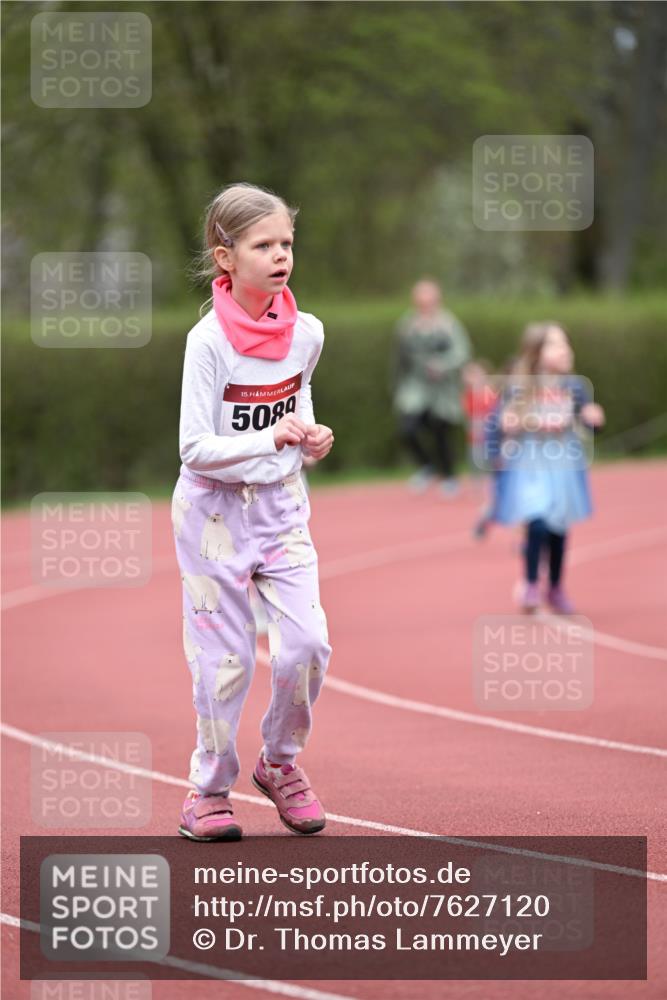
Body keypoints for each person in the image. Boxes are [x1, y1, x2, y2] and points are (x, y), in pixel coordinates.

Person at [171, 182, 334, 841]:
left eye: (286, 243)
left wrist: (312, 438)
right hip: (213, 519)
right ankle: (208, 790)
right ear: (225, 257)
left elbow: (298, 411)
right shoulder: (207, 342)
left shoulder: (308, 334)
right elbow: (193, 448)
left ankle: (278, 762)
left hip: (281, 511)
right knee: (227, 660)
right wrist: (270, 438)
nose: (279, 255)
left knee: (307, 646)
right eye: (263, 245)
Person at [492, 322, 605, 613]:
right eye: (555, 345)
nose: (564, 350)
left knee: (558, 527)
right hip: (529, 464)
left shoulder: (574, 387)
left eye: (565, 343)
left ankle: (555, 586)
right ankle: (530, 582)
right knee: (537, 520)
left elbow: (587, 422)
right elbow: (499, 423)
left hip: (563, 464)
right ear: (536, 352)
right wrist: (507, 427)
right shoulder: (519, 387)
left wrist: (593, 420)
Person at [393, 279, 471, 497]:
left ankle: (449, 475)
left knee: (441, 430)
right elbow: (399, 359)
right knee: (408, 427)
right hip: (416, 386)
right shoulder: (407, 325)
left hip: (443, 388)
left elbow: (462, 352)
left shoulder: (448, 324)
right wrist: (398, 386)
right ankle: (427, 466)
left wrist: (443, 365)